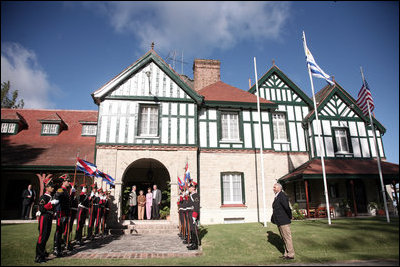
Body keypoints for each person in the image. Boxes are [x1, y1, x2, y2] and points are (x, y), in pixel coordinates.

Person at [35, 179, 57, 263]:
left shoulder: (51, 197)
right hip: (44, 217)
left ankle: (43, 253)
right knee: (42, 236)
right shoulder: (43, 197)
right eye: (51, 187)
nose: (53, 188)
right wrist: (51, 203)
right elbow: (42, 208)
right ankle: (38, 256)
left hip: (49, 217)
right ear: (47, 188)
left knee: (46, 236)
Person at [271, 183, 295, 260]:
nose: (273, 188)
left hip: (284, 220)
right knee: (284, 238)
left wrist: (290, 216)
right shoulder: (277, 196)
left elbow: (287, 208)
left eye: (274, 187)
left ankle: (291, 254)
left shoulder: (282, 196)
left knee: (287, 238)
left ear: (279, 188)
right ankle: (286, 253)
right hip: (279, 221)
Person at [53, 174, 71, 257]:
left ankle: (59, 248)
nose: (69, 182)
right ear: (63, 182)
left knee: (61, 230)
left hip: (65, 213)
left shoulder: (65, 190)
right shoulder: (61, 189)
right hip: (61, 213)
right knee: (59, 231)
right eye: (67, 181)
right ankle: (56, 249)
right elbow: (56, 197)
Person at [186, 182, 200, 250]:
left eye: (190, 187)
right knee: (191, 229)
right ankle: (193, 243)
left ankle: (195, 244)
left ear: (193, 188)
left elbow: (196, 206)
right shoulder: (191, 195)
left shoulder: (195, 195)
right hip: (190, 213)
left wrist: (194, 215)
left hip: (193, 214)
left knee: (194, 229)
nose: (189, 188)